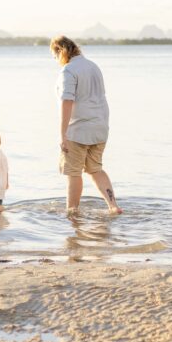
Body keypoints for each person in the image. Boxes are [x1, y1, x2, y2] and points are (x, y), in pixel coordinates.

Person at [50, 35, 122, 215]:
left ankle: (72, 212)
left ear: (60, 51)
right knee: (96, 169)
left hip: (79, 130)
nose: (55, 60)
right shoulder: (93, 66)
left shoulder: (68, 71)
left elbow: (67, 102)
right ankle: (113, 206)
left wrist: (62, 135)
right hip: (100, 127)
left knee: (73, 173)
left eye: (54, 55)